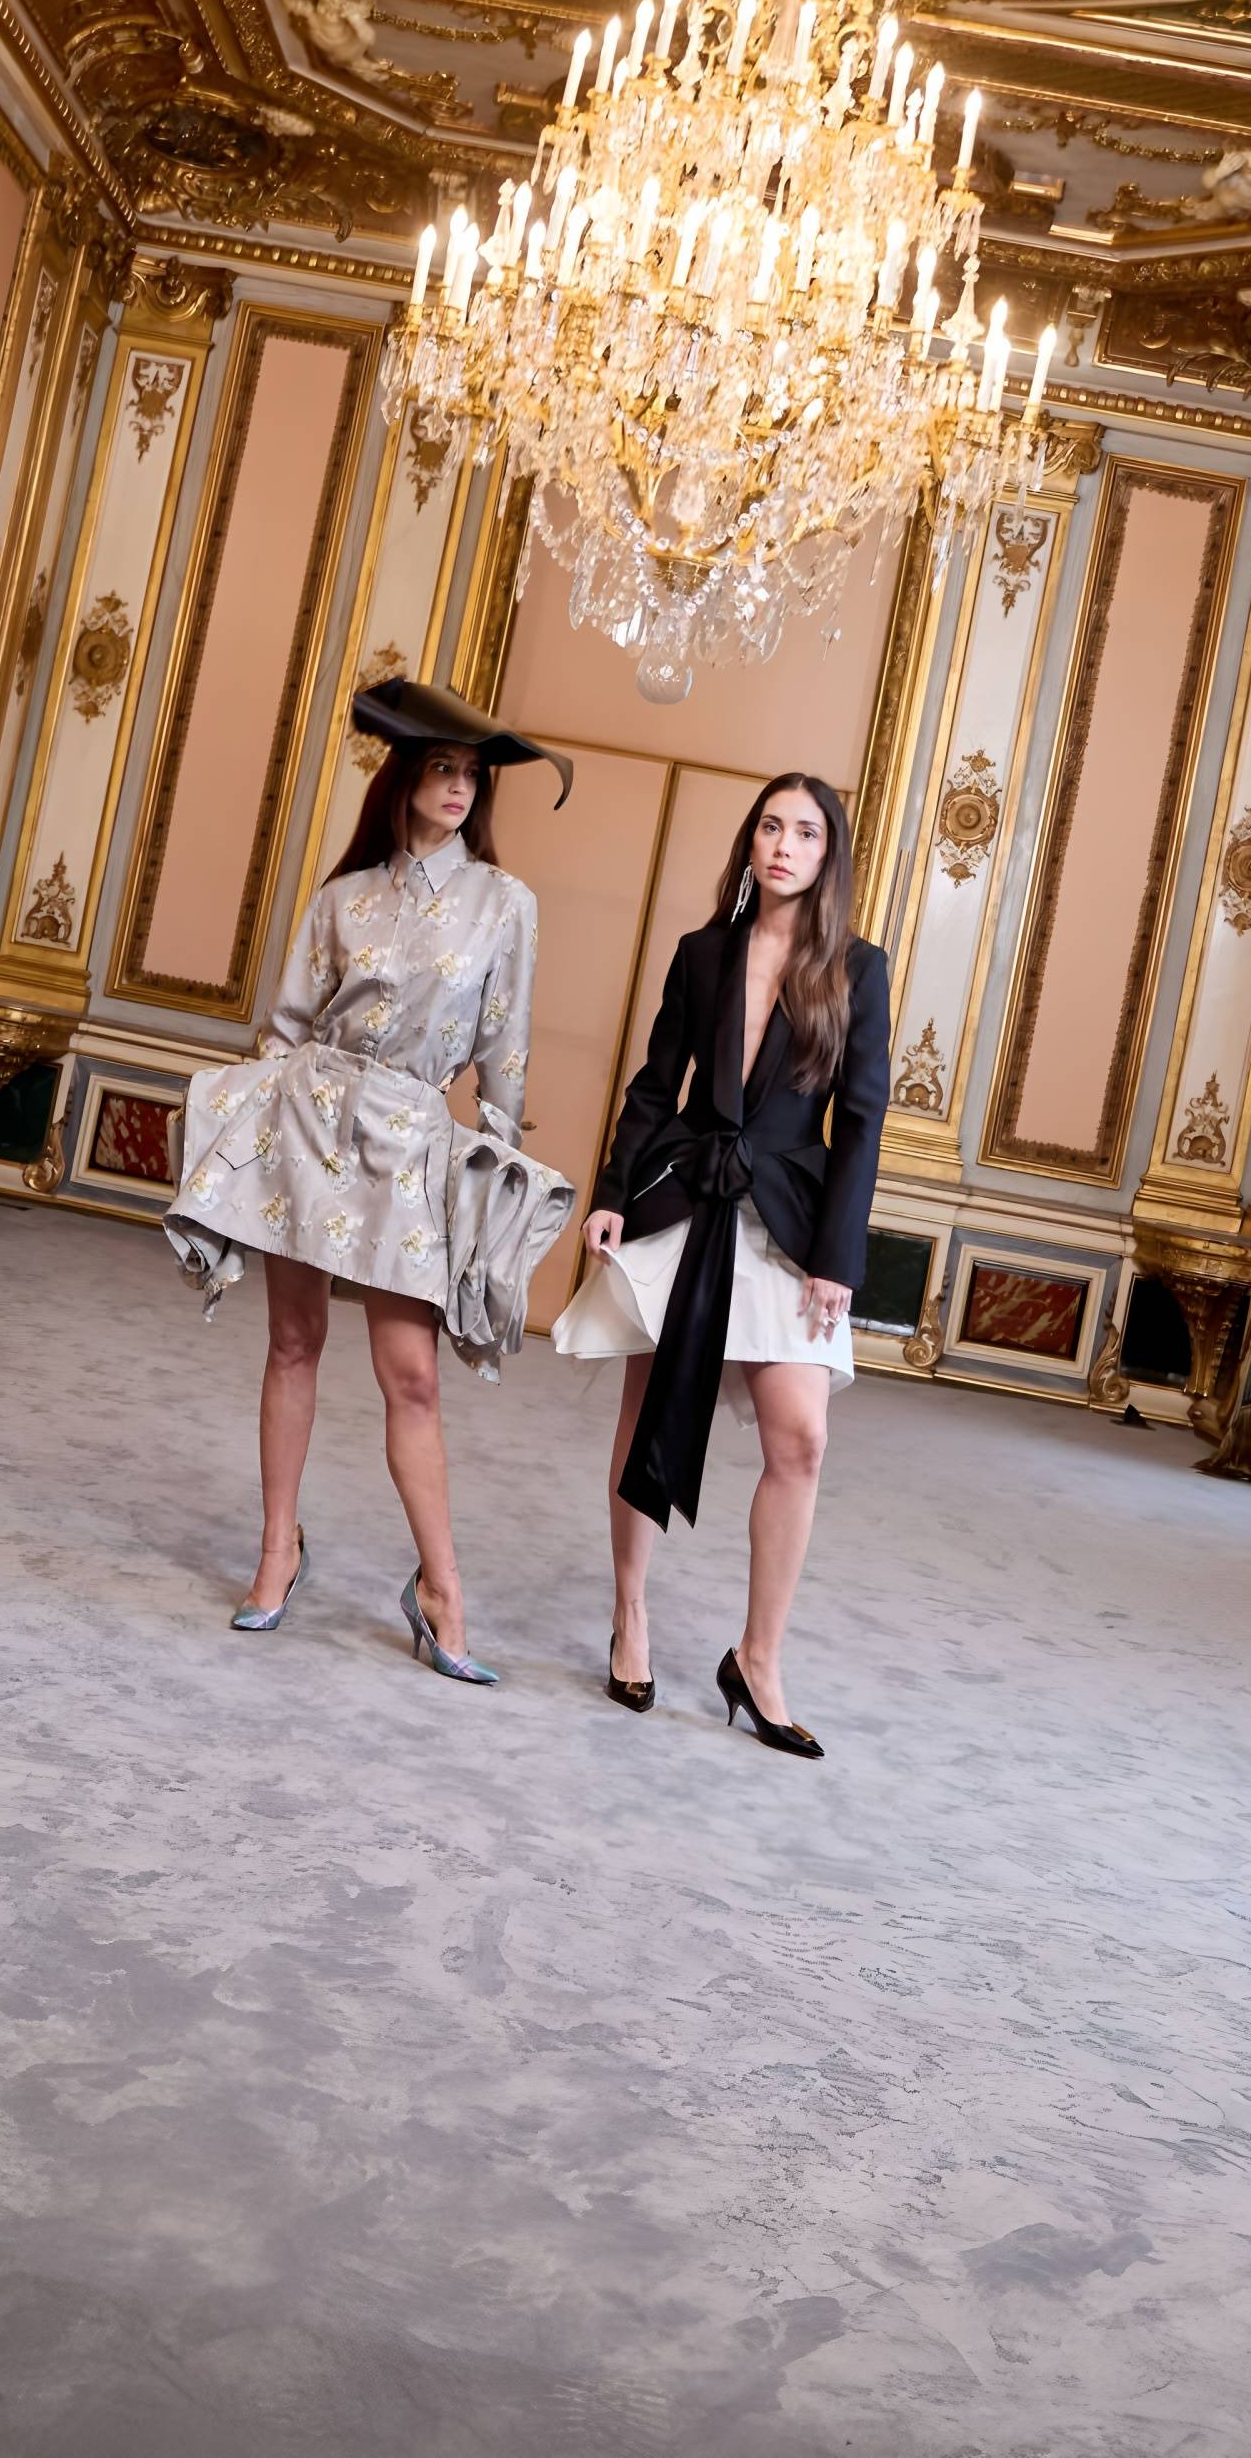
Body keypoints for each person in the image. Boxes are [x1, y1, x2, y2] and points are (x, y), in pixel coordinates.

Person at [165, 679, 571, 1687]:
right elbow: (286, 1030)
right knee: (292, 1341)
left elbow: (505, 1052)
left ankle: (442, 1589)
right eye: (442, 768)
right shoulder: (341, 898)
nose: (460, 787)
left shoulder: (506, 905)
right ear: (403, 778)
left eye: (472, 774)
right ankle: (277, 1549)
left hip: (411, 1139)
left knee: (412, 1374)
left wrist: (493, 1169)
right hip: (310, 1121)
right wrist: (251, 1135)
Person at [553, 772, 889, 1758]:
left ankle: (758, 1658)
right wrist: (613, 1190)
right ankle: (631, 1616)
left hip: (786, 1214)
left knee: (802, 1439)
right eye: (770, 827)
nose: (784, 845)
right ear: (750, 843)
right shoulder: (703, 952)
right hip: (681, 1195)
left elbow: (861, 1121)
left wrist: (838, 1256)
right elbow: (655, 1085)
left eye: (806, 832)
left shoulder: (857, 968)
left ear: (829, 854)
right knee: (646, 1410)